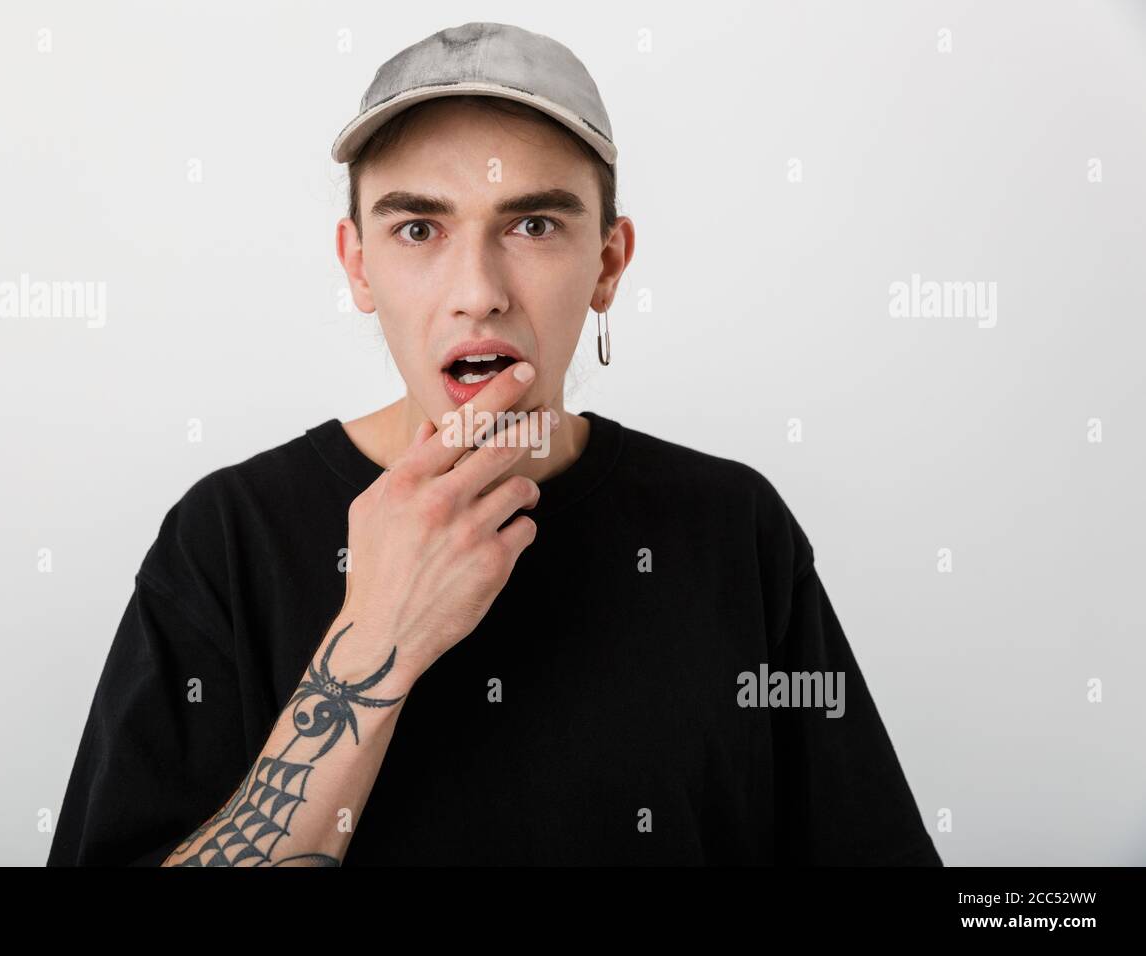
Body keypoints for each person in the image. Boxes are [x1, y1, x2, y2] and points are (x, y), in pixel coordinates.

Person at [46, 21, 941, 867]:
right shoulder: (226, 537)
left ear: (609, 264)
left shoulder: (732, 529)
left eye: (534, 225)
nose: (477, 291)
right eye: (419, 229)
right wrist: (375, 638)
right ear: (358, 264)